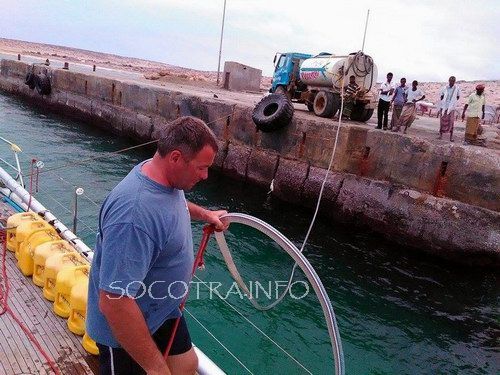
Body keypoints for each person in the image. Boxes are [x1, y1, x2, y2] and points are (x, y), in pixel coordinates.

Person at [86, 116, 229, 375]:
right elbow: (114, 302)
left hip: (160, 308)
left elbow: (174, 207)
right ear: (176, 158)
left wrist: (205, 214)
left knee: (186, 365)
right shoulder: (133, 215)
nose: (205, 176)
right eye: (201, 167)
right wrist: (156, 368)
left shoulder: (163, 178)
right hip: (124, 329)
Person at [438, 76, 461, 141]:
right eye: (451, 81)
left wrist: (452, 102)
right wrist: (443, 101)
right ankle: (440, 135)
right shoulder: (444, 88)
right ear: (449, 81)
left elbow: (458, 97)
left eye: (453, 81)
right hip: (444, 107)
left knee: (451, 122)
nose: (452, 82)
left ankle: (451, 137)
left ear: (454, 81)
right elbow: (441, 96)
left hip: (451, 108)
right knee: (442, 121)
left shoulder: (457, 88)